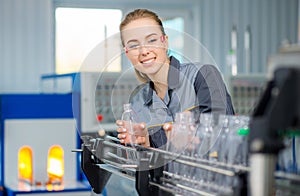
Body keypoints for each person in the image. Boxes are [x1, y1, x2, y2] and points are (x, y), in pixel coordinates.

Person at [116, 8, 234, 149]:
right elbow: (145, 162)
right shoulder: (137, 102)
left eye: (152, 40)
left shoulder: (203, 75)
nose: (144, 51)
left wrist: (154, 140)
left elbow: (219, 131)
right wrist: (141, 145)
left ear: (165, 42)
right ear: (127, 53)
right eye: (134, 45)